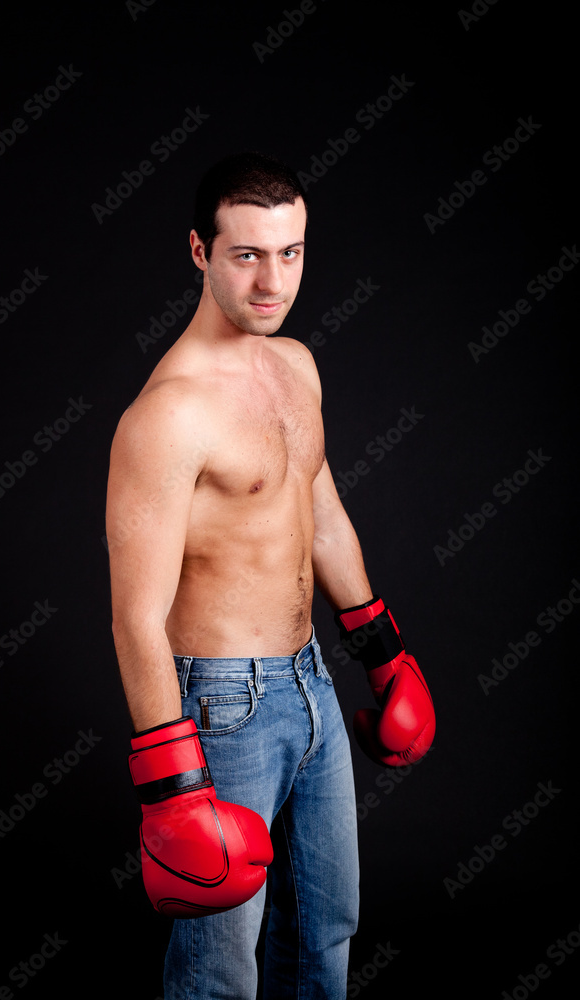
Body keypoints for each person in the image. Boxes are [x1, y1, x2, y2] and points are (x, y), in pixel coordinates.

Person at [106, 151, 435, 1000]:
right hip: (221, 707)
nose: (270, 280)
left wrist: (382, 652)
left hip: (312, 684)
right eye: (246, 254)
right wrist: (171, 790)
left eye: (288, 253)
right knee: (219, 972)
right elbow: (136, 618)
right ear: (198, 252)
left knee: (324, 938)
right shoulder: (166, 414)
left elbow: (321, 516)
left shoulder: (295, 366)